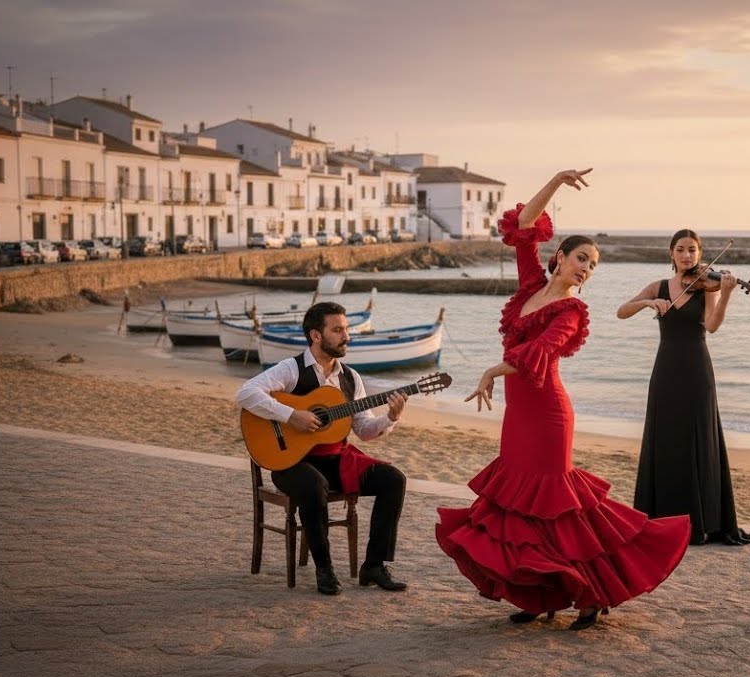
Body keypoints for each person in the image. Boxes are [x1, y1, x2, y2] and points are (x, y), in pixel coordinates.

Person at [435, 168, 691, 631]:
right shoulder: (531, 286)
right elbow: (521, 231)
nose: (586, 269)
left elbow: (537, 355)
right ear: (561, 257)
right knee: (520, 507)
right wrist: (555, 181)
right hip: (520, 415)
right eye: (581, 258)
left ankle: (589, 593)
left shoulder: (572, 311)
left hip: (549, 414)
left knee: (557, 505)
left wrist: (494, 368)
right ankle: (542, 593)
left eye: (593, 265)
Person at [235, 301, 410, 596]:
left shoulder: (350, 378)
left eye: (347, 329)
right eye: (338, 329)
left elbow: (364, 430)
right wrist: (292, 415)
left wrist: (390, 418)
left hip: (335, 459)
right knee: (314, 485)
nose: (346, 336)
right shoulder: (291, 369)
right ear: (316, 335)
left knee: (394, 479)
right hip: (289, 462)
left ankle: (374, 565)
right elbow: (246, 393)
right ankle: (324, 568)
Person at [617, 229, 750, 546]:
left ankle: (701, 522)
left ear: (698, 253)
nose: (686, 255)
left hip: (697, 369)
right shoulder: (660, 286)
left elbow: (712, 325)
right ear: (671, 253)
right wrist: (647, 302)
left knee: (698, 439)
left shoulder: (709, 287)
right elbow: (621, 311)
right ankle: (663, 518)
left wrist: (727, 296)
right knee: (665, 437)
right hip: (665, 369)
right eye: (680, 249)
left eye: (692, 250)